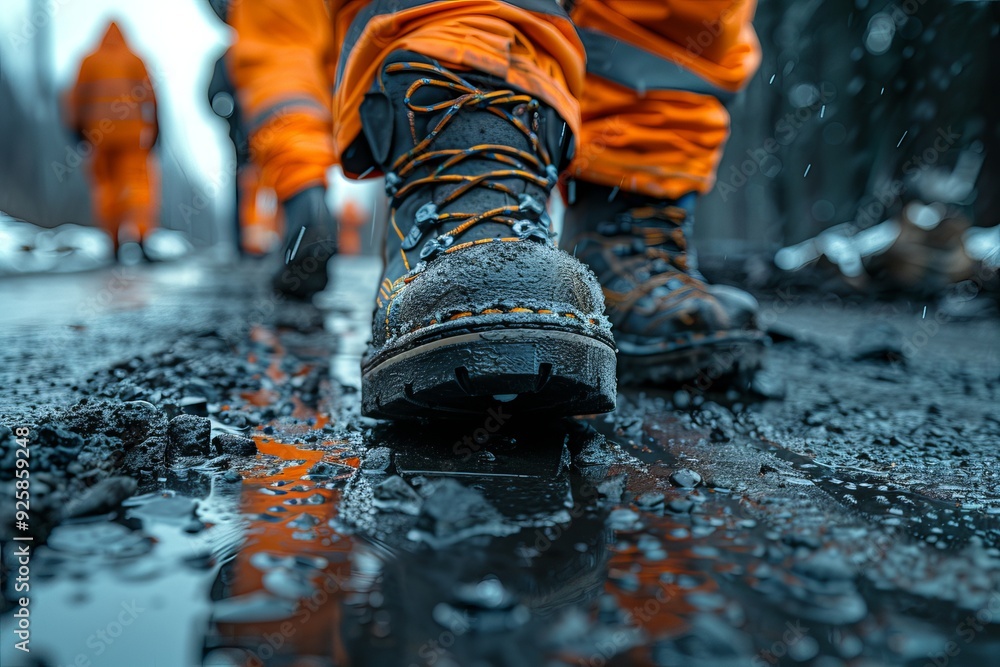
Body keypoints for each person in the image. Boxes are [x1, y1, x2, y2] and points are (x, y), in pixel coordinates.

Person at [229, 0, 765, 419]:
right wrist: (300, 180)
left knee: (672, 15)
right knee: (458, 24)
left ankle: (622, 216)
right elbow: (281, 57)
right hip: (420, 58)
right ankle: (460, 152)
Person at [66, 21, 159, 259]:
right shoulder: (135, 60)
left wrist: (77, 132)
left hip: (99, 138)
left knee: (106, 189)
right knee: (137, 187)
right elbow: (151, 97)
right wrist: (157, 130)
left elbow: (75, 99)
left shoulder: (88, 61)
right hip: (132, 138)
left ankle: (114, 243)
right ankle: (141, 237)